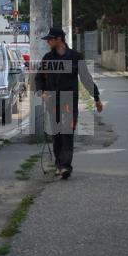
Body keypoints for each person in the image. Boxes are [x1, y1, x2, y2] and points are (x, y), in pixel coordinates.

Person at [35, 27, 103, 180]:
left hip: (69, 102)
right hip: (52, 102)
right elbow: (39, 79)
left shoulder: (75, 57)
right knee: (57, 134)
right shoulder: (47, 58)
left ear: (59, 39)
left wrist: (96, 98)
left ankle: (65, 166)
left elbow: (86, 78)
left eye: (50, 39)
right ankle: (59, 165)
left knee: (67, 133)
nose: (48, 42)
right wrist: (42, 93)